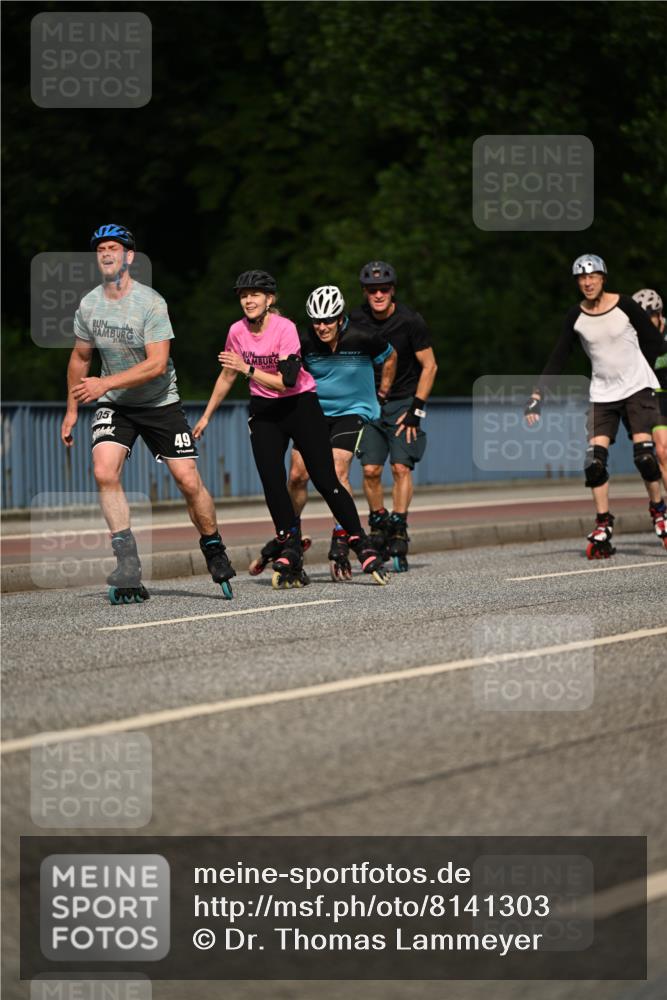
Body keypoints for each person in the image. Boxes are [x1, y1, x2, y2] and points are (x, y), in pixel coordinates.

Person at [60, 223, 236, 602]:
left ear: (129, 257)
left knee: (187, 480)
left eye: (114, 248)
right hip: (116, 405)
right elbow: (80, 357)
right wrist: (72, 409)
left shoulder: (152, 303)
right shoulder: (89, 304)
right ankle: (127, 562)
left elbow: (157, 364)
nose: (106, 254)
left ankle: (213, 546)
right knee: (103, 470)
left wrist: (104, 383)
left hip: (160, 403)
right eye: (101, 249)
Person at [192, 270, 388, 588]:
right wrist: (206, 416)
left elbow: (287, 381)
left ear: (269, 300)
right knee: (273, 480)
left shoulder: (286, 329)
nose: (249, 300)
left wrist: (248, 368)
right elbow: (228, 376)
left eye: (255, 295)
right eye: (243, 296)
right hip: (265, 412)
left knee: (325, 478)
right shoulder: (236, 332)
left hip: (299, 406)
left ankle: (358, 540)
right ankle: (290, 545)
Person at [524, 255, 666, 559]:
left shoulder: (626, 305)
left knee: (644, 457)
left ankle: (659, 511)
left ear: (603, 278)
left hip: (637, 388)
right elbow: (559, 356)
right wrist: (538, 396)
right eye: (582, 279)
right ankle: (603, 523)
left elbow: (656, 345)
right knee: (594, 461)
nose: (588, 283)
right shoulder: (576, 315)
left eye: (593, 277)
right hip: (602, 394)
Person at [269, 284, 396, 580]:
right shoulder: (304, 339)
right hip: (312, 412)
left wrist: (384, 389)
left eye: (328, 321)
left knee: (337, 472)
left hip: (353, 412)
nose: (322, 327)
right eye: (316, 321)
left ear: (341, 318)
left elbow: (390, 357)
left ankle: (342, 535)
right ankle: (293, 537)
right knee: (298, 476)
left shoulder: (363, 336)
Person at [350, 260, 438, 572]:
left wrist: (417, 409)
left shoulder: (410, 321)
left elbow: (430, 366)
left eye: (383, 289)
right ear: (365, 292)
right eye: (372, 290)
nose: (378, 294)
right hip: (369, 404)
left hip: (403, 403)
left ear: (392, 290)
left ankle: (399, 525)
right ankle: (377, 522)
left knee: (401, 467)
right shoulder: (355, 320)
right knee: (371, 470)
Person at [632, 288, 667, 546]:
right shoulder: (633, 340)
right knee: (661, 452)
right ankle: (660, 508)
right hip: (652, 398)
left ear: (659, 315)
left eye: (650, 319)